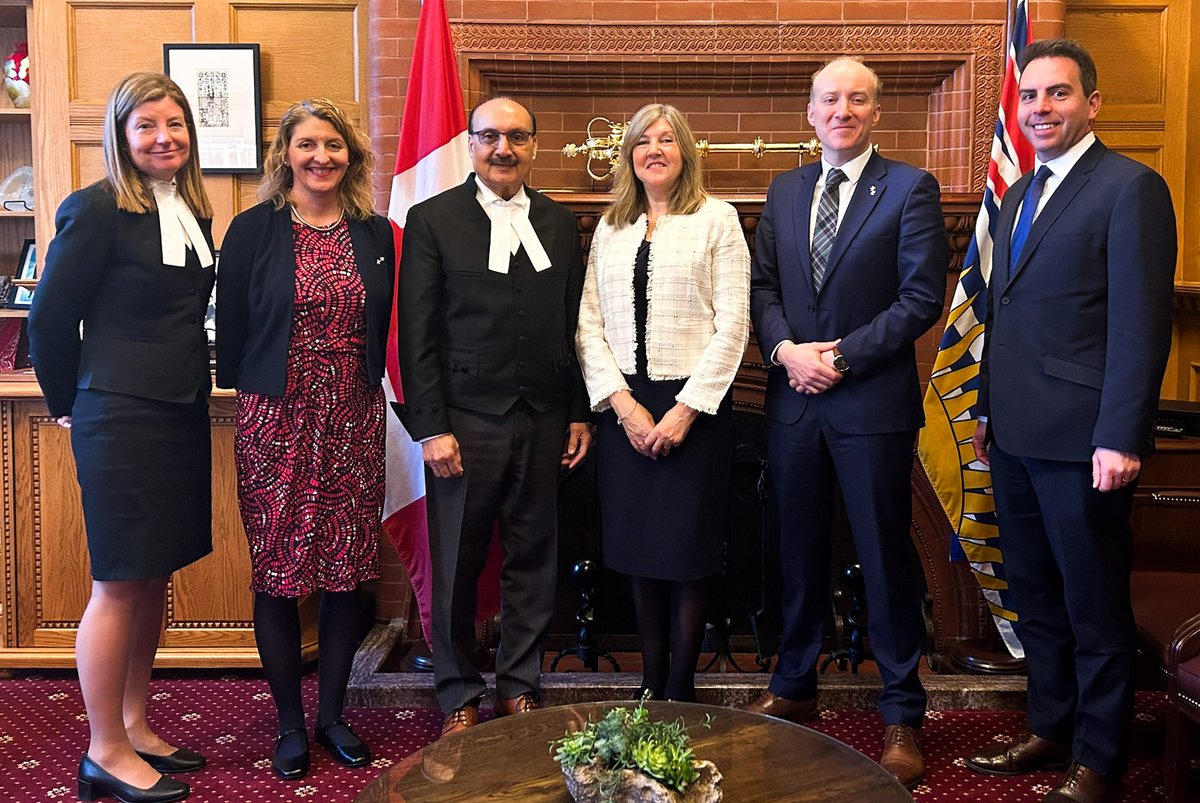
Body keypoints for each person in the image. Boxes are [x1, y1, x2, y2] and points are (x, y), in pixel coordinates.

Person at [964, 39, 1176, 803]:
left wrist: (1122, 435)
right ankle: (1048, 728)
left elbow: (1139, 325)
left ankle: (1099, 756)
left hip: (1087, 440)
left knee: (1091, 602)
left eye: (1058, 94)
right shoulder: (1019, 194)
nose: (1041, 109)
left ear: (1093, 103)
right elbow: (1003, 314)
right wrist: (986, 408)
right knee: (1037, 594)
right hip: (1016, 434)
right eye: (1030, 97)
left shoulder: (1130, 188)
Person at [747, 57, 949, 789]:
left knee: (885, 560)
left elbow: (922, 296)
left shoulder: (909, 188)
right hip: (794, 402)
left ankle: (902, 709)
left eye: (856, 99)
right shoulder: (785, 188)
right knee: (798, 552)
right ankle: (796, 679)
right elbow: (762, 286)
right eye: (830, 99)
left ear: (874, 111)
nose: (842, 109)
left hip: (871, 406)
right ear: (810, 112)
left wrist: (839, 356)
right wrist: (783, 350)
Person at [27, 71, 216, 803]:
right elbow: (48, 319)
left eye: (175, 124)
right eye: (147, 126)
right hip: (118, 411)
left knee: (154, 573)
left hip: (176, 409)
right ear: (121, 133)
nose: (163, 137)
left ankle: (135, 722)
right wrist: (68, 401)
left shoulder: (191, 209)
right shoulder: (96, 209)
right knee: (116, 582)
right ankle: (102, 748)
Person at [395, 95, 592, 737]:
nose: (503, 148)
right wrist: (430, 426)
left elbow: (573, 326)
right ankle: (456, 691)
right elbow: (415, 332)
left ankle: (519, 682)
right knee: (455, 560)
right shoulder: (432, 219)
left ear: (534, 146)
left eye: (516, 137)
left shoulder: (561, 224)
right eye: (489, 137)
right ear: (471, 145)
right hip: (463, 421)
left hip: (542, 416)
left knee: (534, 556)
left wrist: (577, 414)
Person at [215, 99, 394, 781]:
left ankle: (334, 712)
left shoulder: (375, 233)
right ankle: (291, 719)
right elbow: (231, 324)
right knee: (280, 572)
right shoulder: (252, 229)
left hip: (354, 416)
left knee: (348, 569)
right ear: (285, 154)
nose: (322, 156)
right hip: (275, 420)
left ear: (351, 155)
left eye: (335, 145)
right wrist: (256, 393)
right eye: (308, 144)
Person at [574, 103, 749, 702]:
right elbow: (587, 324)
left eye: (667, 139)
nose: (655, 148)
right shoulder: (610, 227)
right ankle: (651, 680)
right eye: (643, 139)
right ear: (628, 155)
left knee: (688, 552)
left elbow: (735, 325)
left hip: (695, 410)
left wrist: (685, 410)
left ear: (686, 153)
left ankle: (681, 685)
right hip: (628, 408)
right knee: (640, 551)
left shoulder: (718, 219)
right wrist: (623, 407)